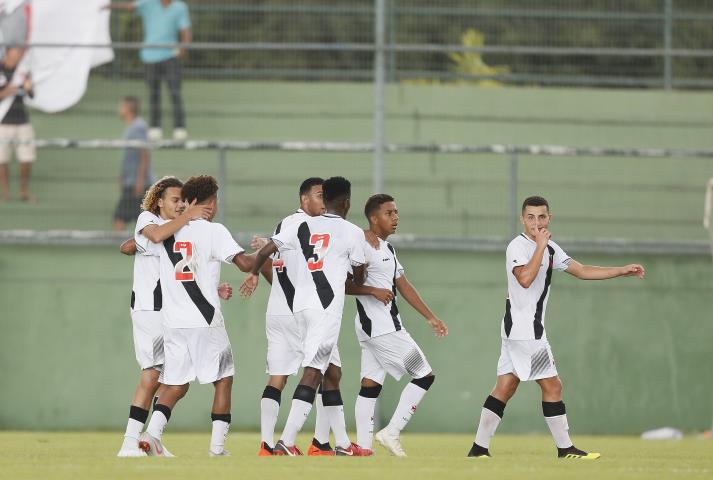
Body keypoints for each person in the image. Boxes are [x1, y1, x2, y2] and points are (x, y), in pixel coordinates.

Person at [468, 195, 645, 460]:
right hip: (526, 331)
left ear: (549, 218)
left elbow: (582, 270)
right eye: (530, 217)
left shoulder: (551, 248)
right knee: (553, 386)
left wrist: (621, 270)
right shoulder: (518, 246)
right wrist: (540, 245)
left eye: (541, 217)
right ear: (522, 219)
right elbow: (525, 279)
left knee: (505, 386)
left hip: (519, 330)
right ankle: (565, 449)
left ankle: (478, 449)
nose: (536, 222)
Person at [240, 176, 369, 456]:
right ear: (346, 202)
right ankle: (286, 442)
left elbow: (265, 250)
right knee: (312, 371)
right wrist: (357, 271)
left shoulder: (301, 225)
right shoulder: (352, 232)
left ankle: (344, 444)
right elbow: (358, 275)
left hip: (300, 307)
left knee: (332, 373)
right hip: (325, 309)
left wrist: (253, 274)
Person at [138, 175, 259, 457]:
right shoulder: (214, 231)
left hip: (173, 321)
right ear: (211, 202)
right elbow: (245, 264)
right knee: (224, 378)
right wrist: (270, 249)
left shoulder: (167, 231)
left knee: (175, 383)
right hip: (205, 320)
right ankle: (217, 448)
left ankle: (152, 434)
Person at [115, 175, 214, 457]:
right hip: (151, 309)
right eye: (175, 200)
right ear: (159, 202)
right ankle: (129, 442)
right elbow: (154, 236)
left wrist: (213, 287)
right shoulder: (148, 219)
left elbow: (177, 267)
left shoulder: (175, 229)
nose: (181, 205)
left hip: (171, 310)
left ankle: (151, 438)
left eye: (184, 201)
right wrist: (191, 215)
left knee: (178, 378)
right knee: (154, 373)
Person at [345, 194, 448, 457]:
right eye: (389, 213)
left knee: (370, 385)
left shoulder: (388, 249)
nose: (395, 217)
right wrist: (372, 291)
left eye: (396, 212)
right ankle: (391, 432)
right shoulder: (361, 242)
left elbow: (403, 285)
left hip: (376, 328)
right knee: (425, 375)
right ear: (373, 218)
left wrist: (430, 316)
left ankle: (364, 447)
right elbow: (346, 284)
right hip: (382, 328)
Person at [105, 0, 191, 141]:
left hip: (170, 57)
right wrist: (106, 6)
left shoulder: (180, 7)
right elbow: (129, 7)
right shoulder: (148, 3)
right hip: (149, 57)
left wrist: (184, 48)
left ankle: (179, 128)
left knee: (175, 92)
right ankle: (155, 127)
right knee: (154, 94)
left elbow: (185, 31)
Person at [113, 96, 152, 231]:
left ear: (129, 108)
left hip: (137, 183)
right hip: (131, 181)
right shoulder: (131, 127)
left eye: (121, 106)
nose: (119, 109)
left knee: (120, 217)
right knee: (138, 218)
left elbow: (144, 153)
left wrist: (140, 179)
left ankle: (120, 248)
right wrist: (122, 176)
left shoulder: (138, 127)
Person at [0, 57, 33, 202]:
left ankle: (23, 191)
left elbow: (32, 95)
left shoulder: (23, 73)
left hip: (22, 121)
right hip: (3, 122)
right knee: (1, 159)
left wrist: (28, 88)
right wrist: (6, 92)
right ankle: (5, 193)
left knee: (26, 158)